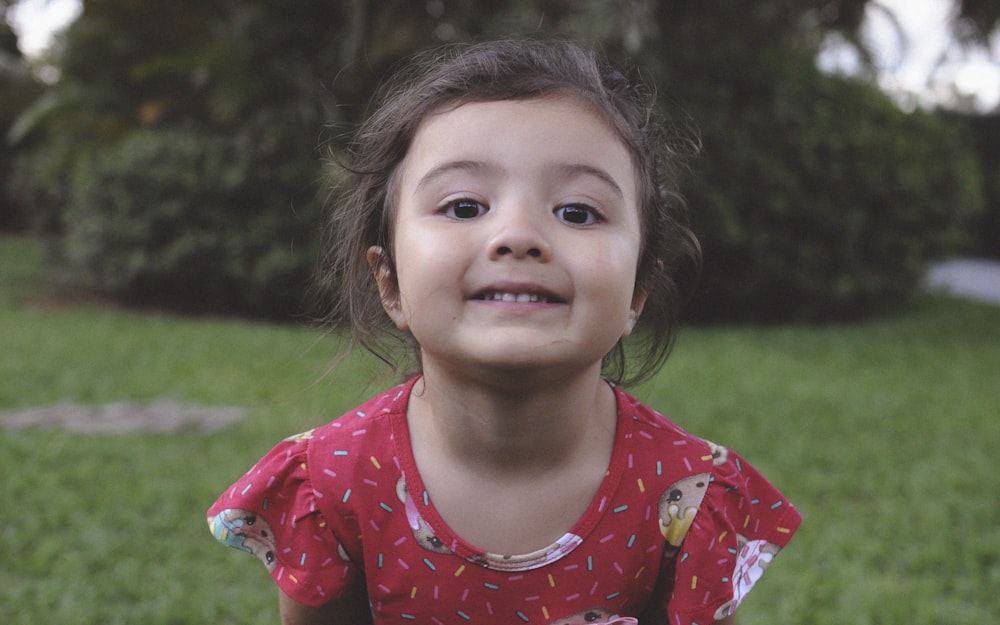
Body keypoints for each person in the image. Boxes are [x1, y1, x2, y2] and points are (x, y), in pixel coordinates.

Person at [207, 39, 801, 625]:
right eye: (464, 206)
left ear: (637, 294)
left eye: (577, 212)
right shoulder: (332, 483)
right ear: (389, 283)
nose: (518, 234)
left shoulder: (689, 497)